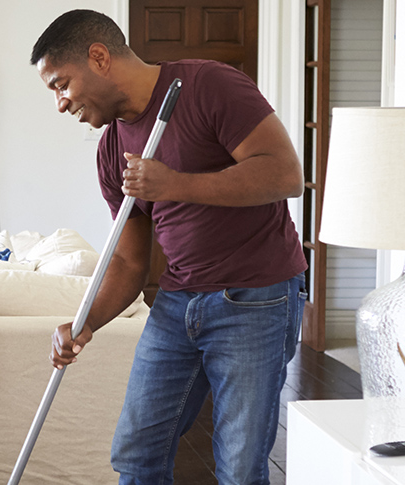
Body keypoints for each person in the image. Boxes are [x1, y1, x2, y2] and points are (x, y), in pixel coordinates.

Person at [31, 10, 307, 485]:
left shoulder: (208, 86)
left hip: (255, 298)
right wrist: (86, 322)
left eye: (61, 84)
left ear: (99, 57)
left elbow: (285, 174)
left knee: (240, 468)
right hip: (177, 304)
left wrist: (174, 184)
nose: (59, 103)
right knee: (137, 453)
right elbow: (128, 259)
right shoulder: (112, 149)